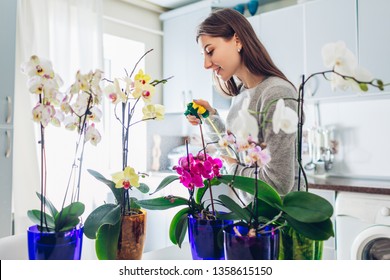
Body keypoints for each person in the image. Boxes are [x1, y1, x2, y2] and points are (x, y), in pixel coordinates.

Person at [186, 8, 302, 197]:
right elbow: (235, 153)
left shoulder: (276, 93)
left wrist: (233, 170)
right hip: (254, 218)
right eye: (204, 56)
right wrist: (209, 117)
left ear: (237, 40)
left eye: (210, 51)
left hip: (280, 222)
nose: (206, 65)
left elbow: (277, 183)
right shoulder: (242, 94)